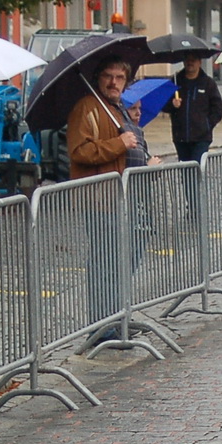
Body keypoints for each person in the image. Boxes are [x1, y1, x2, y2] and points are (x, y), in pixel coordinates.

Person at [68, 57, 144, 330]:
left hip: (121, 198)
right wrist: (118, 144)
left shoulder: (116, 108)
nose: (114, 82)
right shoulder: (87, 107)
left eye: (119, 77)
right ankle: (103, 326)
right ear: (98, 78)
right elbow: (80, 151)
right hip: (99, 198)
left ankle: (117, 317)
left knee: (118, 261)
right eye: (108, 76)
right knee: (104, 263)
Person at [168, 53, 222, 166]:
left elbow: (218, 108)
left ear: (199, 62)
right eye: (187, 60)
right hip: (181, 136)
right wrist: (172, 105)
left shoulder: (208, 83)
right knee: (185, 170)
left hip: (201, 138)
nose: (190, 63)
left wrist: (207, 125)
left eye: (193, 60)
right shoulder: (176, 82)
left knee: (197, 168)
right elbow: (165, 106)